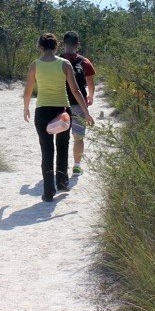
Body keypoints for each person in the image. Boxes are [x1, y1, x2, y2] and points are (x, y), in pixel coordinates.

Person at [23, 32, 95, 201]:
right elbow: (76, 91)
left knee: (46, 150)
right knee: (62, 146)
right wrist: (86, 113)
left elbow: (28, 89)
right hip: (62, 110)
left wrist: (26, 108)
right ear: (56, 46)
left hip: (42, 111)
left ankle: (48, 192)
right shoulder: (65, 64)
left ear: (41, 48)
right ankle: (62, 182)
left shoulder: (35, 65)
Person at [60, 31, 96, 176]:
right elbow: (90, 83)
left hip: (60, 104)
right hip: (79, 104)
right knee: (78, 136)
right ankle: (76, 166)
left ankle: (61, 167)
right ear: (78, 45)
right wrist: (90, 97)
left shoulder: (57, 60)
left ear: (63, 44)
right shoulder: (84, 62)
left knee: (62, 136)